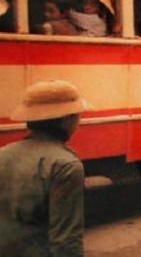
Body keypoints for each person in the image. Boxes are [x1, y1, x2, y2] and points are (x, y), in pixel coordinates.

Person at [0, 80, 89, 256]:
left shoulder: (3, 154)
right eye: (78, 115)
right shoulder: (66, 166)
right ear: (68, 119)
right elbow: (65, 241)